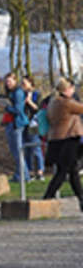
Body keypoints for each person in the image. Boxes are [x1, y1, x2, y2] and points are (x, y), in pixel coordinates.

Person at [41, 77, 83, 212]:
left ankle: (82, 199)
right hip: (68, 139)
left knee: (72, 171)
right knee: (63, 171)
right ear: (67, 89)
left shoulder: (53, 101)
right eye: (72, 88)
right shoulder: (66, 103)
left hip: (57, 139)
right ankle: (47, 198)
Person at [2, 72, 29, 182]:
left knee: (18, 150)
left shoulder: (17, 92)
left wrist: (7, 107)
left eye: (10, 81)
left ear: (15, 81)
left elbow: (18, 110)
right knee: (15, 151)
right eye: (6, 81)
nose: (8, 83)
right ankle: (21, 174)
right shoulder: (11, 92)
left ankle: (24, 175)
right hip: (11, 123)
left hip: (16, 124)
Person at [21, 75, 45, 180]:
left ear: (31, 83)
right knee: (26, 148)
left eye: (24, 83)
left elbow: (39, 109)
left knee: (36, 147)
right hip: (24, 123)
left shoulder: (37, 94)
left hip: (33, 123)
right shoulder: (21, 94)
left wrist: (29, 101)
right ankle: (29, 171)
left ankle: (40, 171)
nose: (23, 86)